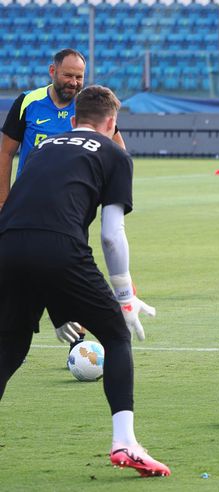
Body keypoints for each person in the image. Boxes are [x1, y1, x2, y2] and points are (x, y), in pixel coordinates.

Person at [0, 85, 170, 476]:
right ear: (113, 124)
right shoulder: (115, 154)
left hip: (7, 244)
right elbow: (111, 234)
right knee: (115, 334)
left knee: (8, 348)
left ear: (74, 120)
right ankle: (125, 443)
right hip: (59, 248)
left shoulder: (45, 147)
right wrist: (125, 297)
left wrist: (59, 308)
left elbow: (35, 212)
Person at [0, 48, 126, 348]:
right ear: (52, 71)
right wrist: (3, 198)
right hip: (25, 204)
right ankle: (16, 332)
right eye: (68, 75)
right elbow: (6, 152)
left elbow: (118, 148)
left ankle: (77, 342)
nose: (74, 82)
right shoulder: (28, 102)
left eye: (79, 77)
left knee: (68, 271)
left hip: (71, 208)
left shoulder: (86, 107)